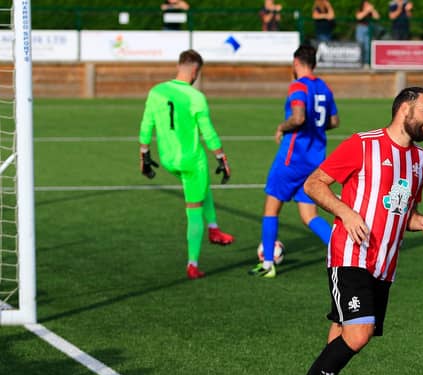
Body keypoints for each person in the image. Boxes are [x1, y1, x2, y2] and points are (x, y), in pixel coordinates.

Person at [275, 86, 423, 375]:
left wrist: (421, 221)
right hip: (350, 255)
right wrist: (346, 213)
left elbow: (403, 212)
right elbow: (314, 184)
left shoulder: (421, 162)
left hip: (384, 265)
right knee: (359, 333)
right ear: (404, 110)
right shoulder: (363, 144)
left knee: (341, 337)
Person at [138, 49, 235, 280]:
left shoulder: (157, 92)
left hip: (168, 159)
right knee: (194, 206)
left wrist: (143, 154)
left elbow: (145, 125)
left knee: (201, 184)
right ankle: (193, 263)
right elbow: (208, 132)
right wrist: (221, 157)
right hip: (190, 160)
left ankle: (214, 228)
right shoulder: (195, 97)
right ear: (194, 70)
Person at [249, 44, 339, 278]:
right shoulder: (323, 87)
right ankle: (343, 253)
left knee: (271, 209)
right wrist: (314, 125)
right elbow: (334, 120)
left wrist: (282, 126)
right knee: (309, 216)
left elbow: (298, 117)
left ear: (297, 63)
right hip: (315, 159)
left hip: (292, 159)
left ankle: (268, 264)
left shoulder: (298, 86)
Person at [355, 1, 380, 65]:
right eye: (366, 4)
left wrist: (372, 10)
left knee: (367, 47)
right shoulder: (359, 10)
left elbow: (377, 17)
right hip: (360, 28)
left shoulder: (370, 11)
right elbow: (358, 17)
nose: (367, 5)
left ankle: (366, 62)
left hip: (368, 29)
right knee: (360, 45)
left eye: (368, 4)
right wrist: (366, 11)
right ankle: (360, 62)